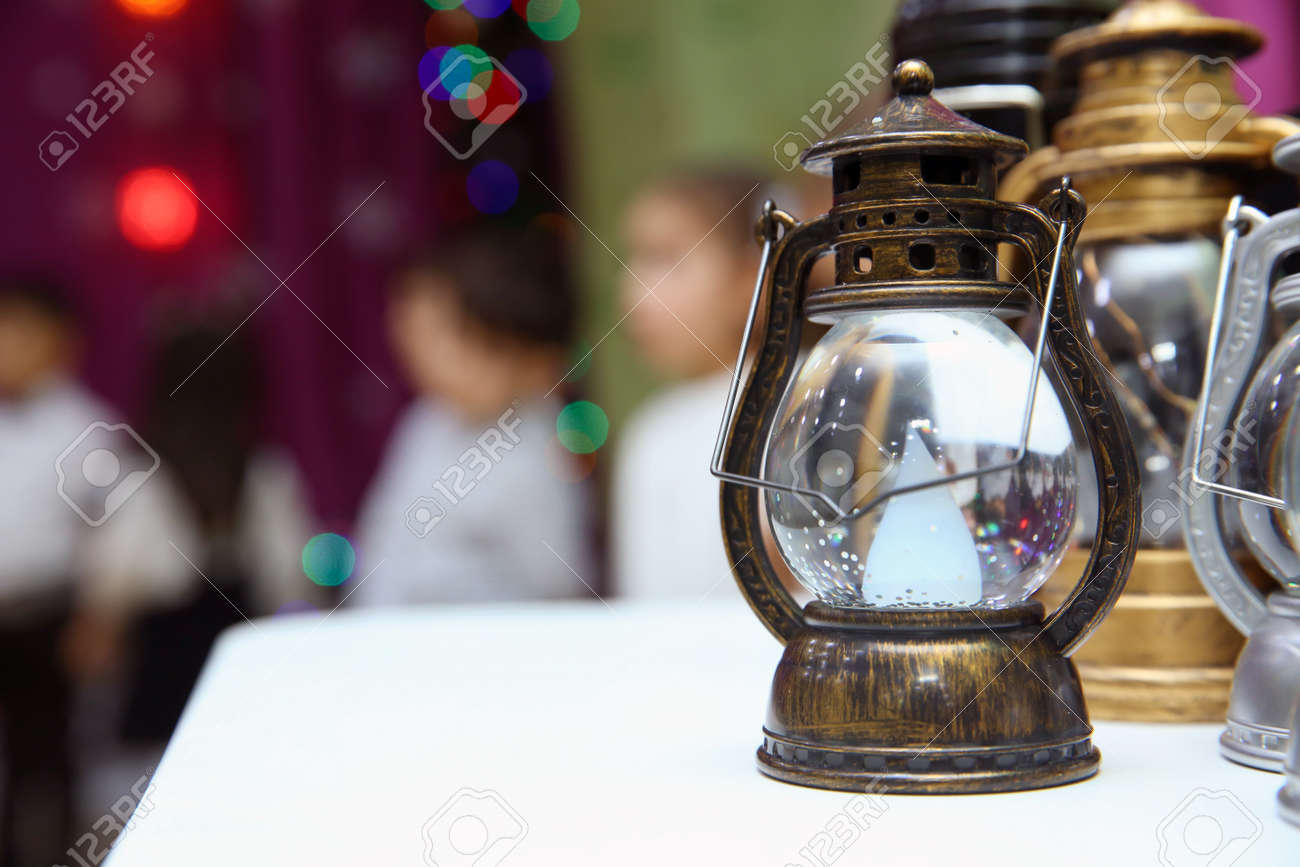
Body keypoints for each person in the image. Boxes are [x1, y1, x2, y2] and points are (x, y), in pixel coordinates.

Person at [351, 226, 594, 605]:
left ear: (531, 357)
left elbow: (558, 589)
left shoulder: (540, 455)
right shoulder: (425, 421)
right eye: (411, 333)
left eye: (446, 336)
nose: (420, 355)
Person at [612, 167, 771, 599]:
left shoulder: (806, 399)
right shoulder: (651, 430)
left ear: (750, 277)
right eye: (635, 261)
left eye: (666, 260)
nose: (632, 293)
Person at [0, 273, 103, 866]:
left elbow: (115, 535)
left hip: (49, 619)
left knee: (49, 761)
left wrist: (100, 614)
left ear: (62, 343)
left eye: (21, 334)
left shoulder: (85, 427)